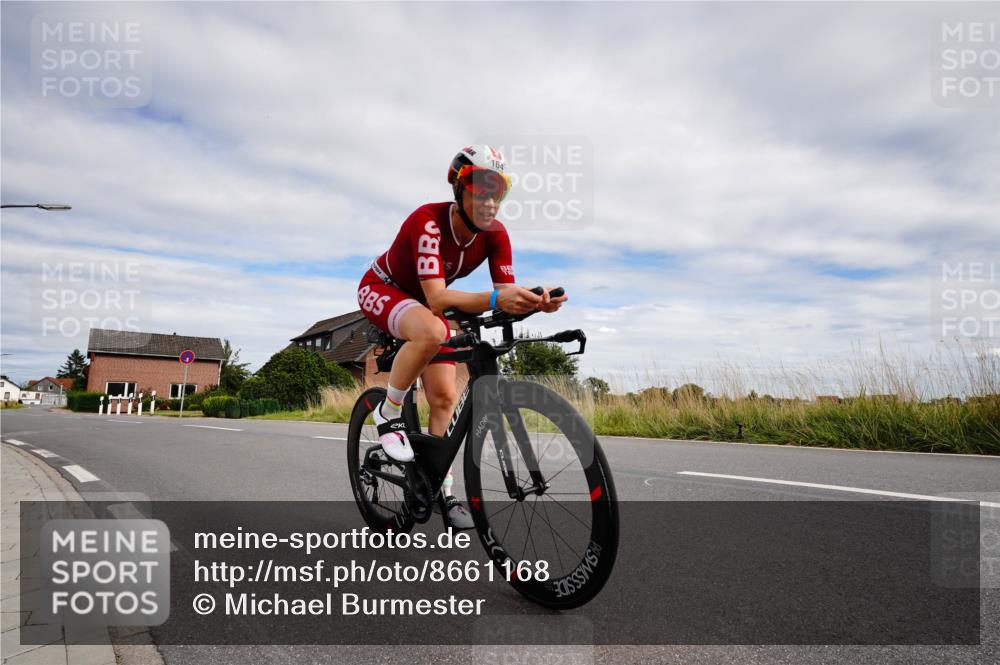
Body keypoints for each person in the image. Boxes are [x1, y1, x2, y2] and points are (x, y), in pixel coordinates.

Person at [356, 145, 567, 529]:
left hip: (427, 304)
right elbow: (437, 298)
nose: (490, 200)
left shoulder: (496, 235)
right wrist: (492, 298)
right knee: (434, 329)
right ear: (459, 187)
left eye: (499, 190)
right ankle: (388, 412)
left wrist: (536, 303)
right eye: (480, 187)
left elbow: (503, 297)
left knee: (444, 397)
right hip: (385, 289)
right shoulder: (429, 221)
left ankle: (442, 490)